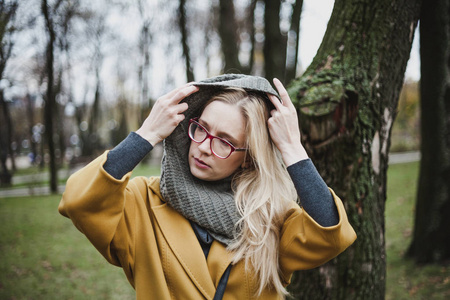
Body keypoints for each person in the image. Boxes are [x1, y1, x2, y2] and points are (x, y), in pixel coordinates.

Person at [59, 74, 356, 300]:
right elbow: (79, 203)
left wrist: (292, 149)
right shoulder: (143, 202)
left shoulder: (268, 217)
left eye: (224, 142)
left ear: (247, 159)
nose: (202, 147)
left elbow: (328, 233)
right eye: (201, 129)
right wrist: (146, 134)